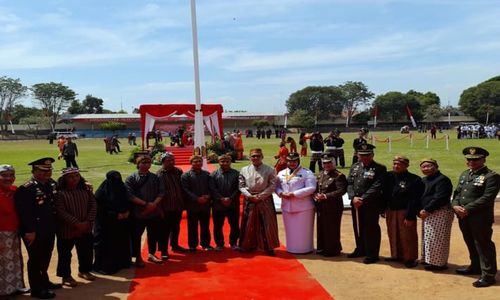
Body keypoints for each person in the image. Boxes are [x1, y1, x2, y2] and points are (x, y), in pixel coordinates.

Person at [14, 158, 62, 299]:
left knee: (46, 256)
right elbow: (25, 213)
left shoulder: (51, 184)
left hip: (49, 228)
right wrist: (29, 231)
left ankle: (44, 281)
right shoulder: (26, 188)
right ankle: (36, 289)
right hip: (34, 231)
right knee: (35, 259)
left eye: (49, 170)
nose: (47, 173)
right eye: (43, 170)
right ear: (34, 171)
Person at [452, 147, 500, 288]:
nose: (471, 162)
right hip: (463, 216)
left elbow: (487, 198)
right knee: (470, 242)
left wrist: (466, 209)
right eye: (469, 159)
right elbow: (457, 193)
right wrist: (455, 205)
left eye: (475, 159)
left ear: (483, 160)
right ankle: (475, 266)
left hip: (480, 218)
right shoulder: (465, 174)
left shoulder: (491, 176)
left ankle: (489, 274)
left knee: (483, 244)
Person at [55, 168, 96, 287]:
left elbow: (93, 204)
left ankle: (84, 270)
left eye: (77, 176)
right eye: (71, 177)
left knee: (86, 251)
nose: (74, 179)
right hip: (67, 229)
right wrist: (76, 223)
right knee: (65, 254)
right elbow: (60, 211)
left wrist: (88, 221)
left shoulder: (86, 190)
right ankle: (66, 276)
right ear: (64, 179)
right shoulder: (59, 193)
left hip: (86, 227)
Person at [347, 144, 386, 264]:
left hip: (371, 203)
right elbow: (349, 183)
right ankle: (360, 248)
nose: (364, 157)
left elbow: (377, 186)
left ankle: (372, 254)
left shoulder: (379, 168)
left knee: (371, 228)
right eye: (361, 155)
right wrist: (353, 197)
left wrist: (362, 199)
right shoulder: (355, 166)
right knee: (358, 226)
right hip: (356, 203)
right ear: (358, 155)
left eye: (367, 155)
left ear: (372, 155)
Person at [383, 156, 424, 268]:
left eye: (399, 164)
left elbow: (414, 199)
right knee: (393, 233)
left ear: (406, 166)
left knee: (407, 235)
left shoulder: (414, 179)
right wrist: (383, 208)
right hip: (391, 210)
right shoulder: (388, 176)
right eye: (395, 164)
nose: (396, 166)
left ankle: (410, 258)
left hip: (405, 211)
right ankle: (396, 255)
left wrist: (410, 216)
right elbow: (384, 193)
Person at [239, 148, 280, 256]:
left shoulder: (270, 169)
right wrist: (249, 195)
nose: (255, 158)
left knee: (267, 223)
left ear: (262, 157)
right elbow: (241, 185)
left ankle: (269, 247)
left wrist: (261, 196)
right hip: (250, 199)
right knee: (249, 223)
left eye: (258, 156)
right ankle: (247, 245)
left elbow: (272, 186)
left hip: (265, 199)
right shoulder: (244, 169)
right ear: (249, 157)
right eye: (253, 156)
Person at [125, 156, 165, 266]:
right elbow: (130, 195)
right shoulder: (131, 178)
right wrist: (146, 204)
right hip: (139, 212)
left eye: (148, 162)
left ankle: (152, 253)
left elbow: (161, 192)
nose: (146, 164)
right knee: (136, 235)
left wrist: (154, 204)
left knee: (153, 234)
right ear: (138, 164)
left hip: (154, 211)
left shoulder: (155, 177)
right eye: (143, 162)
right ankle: (137, 257)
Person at [276, 152, 316, 254]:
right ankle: (292, 248)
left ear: (298, 161)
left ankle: (306, 248)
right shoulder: (281, 173)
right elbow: (277, 186)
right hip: (287, 206)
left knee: (304, 230)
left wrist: (294, 194)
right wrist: (280, 193)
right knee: (290, 230)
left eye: (294, 161)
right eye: (289, 161)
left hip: (303, 206)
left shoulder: (307, 173)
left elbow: (311, 188)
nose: (292, 163)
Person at [93, 171, 132, 275]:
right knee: (106, 245)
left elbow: (128, 201)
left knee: (121, 242)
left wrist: (127, 211)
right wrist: (115, 215)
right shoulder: (101, 192)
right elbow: (99, 209)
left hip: (121, 222)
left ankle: (122, 263)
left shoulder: (122, 188)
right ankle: (103, 266)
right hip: (106, 224)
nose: (116, 181)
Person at [418, 158, 454, 271]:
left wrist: (427, 209)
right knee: (428, 238)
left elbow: (440, 197)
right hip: (427, 213)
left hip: (440, 212)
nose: (426, 169)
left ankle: (439, 264)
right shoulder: (424, 180)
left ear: (436, 166)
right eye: (423, 167)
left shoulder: (442, 180)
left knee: (438, 239)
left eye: (429, 166)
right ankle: (429, 260)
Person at [0, 165, 28, 297]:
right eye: (4, 175)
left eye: (11, 175)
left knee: (14, 261)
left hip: (14, 232)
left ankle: (15, 287)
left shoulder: (14, 190)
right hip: (1, 233)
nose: (8, 178)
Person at [314, 155, 347, 257]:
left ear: (334, 163)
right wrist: (315, 195)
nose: (327, 165)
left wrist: (325, 196)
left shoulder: (338, 175)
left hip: (333, 206)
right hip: (321, 205)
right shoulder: (320, 174)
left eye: (329, 163)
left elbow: (341, 190)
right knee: (321, 227)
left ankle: (332, 250)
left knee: (332, 228)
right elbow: (316, 188)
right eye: (325, 163)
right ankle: (322, 247)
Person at [156, 152, 188, 255]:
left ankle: (175, 245)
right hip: (165, 206)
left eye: (173, 160)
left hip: (177, 205)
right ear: (163, 162)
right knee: (164, 229)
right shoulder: (159, 174)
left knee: (176, 227)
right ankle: (163, 250)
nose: (171, 162)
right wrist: (159, 208)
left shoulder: (178, 171)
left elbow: (182, 187)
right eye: (168, 160)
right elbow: (157, 192)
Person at [181, 155, 214, 252]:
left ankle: (206, 244)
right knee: (192, 226)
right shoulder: (185, 176)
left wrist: (208, 196)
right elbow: (185, 189)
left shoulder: (207, 174)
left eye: (200, 161)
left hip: (205, 205)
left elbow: (211, 187)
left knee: (205, 226)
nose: (198, 163)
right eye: (195, 162)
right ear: (191, 163)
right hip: (192, 205)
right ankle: (192, 245)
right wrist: (196, 198)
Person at [210, 155, 241, 251]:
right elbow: (212, 189)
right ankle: (219, 244)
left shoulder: (236, 174)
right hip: (218, 205)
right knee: (218, 226)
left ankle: (233, 243)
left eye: (227, 161)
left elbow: (239, 188)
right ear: (219, 162)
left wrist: (231, 198)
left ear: (230, 161)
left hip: (233, 204)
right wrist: (221, 199)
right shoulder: (213, 174)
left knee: (234, 225)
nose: (225, 163)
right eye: (222, 161)